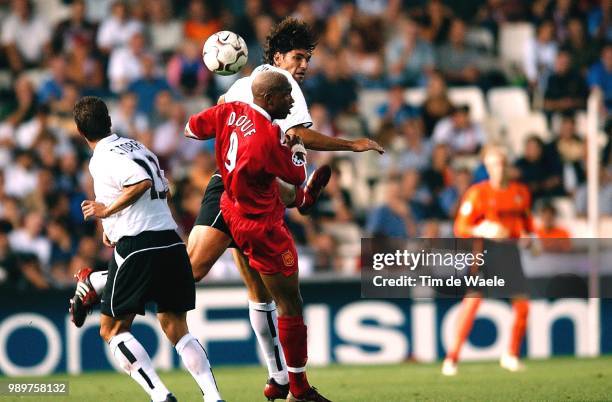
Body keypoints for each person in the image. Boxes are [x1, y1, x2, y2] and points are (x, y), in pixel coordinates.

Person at [70, 17, 383, 401]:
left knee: (259, 292)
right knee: (190, 273)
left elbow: (207, 120)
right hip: (236, 194)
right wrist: (351, 145)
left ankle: (279, 378)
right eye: (299, 58)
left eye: (307, 60)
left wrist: (233, 122)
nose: (303, 67)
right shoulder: (282, 88)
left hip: (246, 186)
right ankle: (100, 281)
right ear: (279, 57)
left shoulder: (243, 83)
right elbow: (297, 136)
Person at [189, 70, 330, 402]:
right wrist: (297, 149)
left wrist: (223, 116)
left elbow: (191, 128)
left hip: (231, 197)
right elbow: (295, 172)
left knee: (258, 294)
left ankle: (279, 378)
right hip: (250, 216)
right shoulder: (268, 135)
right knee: (288, 301)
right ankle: (298, 388)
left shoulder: (229, 109)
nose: (293, 98)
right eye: (286, 94)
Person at [71, 96, 223, 402]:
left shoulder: (101, 157)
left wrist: (106, 211)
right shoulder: (139, 147)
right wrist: (113, 225)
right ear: (109, 121)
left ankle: (160, 396)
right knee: (176, 325)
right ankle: (212, 397)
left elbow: (139, 182)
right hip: (169, 240)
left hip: (138, 244)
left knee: (112, 330)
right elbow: (158, 189)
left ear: (80, 131)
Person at [442, 145, 533, 376]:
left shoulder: (520, 192)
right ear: (487, 168)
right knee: (472, 304)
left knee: (522, 306)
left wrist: (529, 238)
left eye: (501, 164)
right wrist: (481, 229)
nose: (498, 169)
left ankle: (511, 355)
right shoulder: (477, 193)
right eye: (493, 165)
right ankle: (452, 357)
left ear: (508, 166)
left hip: (510, 255)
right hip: (485, 254)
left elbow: (527, 225)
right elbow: (460, 227)